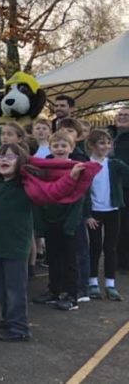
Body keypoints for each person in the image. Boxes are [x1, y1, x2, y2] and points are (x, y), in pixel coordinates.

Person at [0, 143, 95, 341]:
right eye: (1, 157)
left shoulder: (25, 186)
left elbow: (52, 191)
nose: (5, 160)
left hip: (16, 246)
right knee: (3, 288)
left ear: (20, 162)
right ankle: (8, 319)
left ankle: (20, 327)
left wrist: (71, 177)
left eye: (11, 157)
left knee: (15, 289)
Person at [32, 131, 85, 310]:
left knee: (70, 260)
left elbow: (80, 198)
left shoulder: (77, 167)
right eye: (56, 146)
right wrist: (41, 221)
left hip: (69, 222)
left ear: (71, 148)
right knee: (53, 258)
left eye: (64, 146)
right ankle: (54, 291)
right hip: (50, 219)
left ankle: (72, 295)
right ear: (50, 147)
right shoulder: (46, 168)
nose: (60, 149)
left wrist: (71, 224)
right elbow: (42, 192)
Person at [84, 129, 129, 301]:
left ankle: (110, 284)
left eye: (108, 142)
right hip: (94, 213)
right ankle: (93, 282)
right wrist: (87, 215)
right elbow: (82, 193)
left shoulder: (115, 164)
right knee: (94, 247)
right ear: (92, 145)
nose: (105, 146)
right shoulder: (87, 165)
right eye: (101, 143)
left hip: (113, 211)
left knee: (111, 247)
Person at [107, 106, 129, 271]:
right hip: (111, 187)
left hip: (126, 187)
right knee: (116, 227)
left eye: (126, 115)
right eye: (120, 115)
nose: (122, 117)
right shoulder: (109, 136)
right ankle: (119, 261)